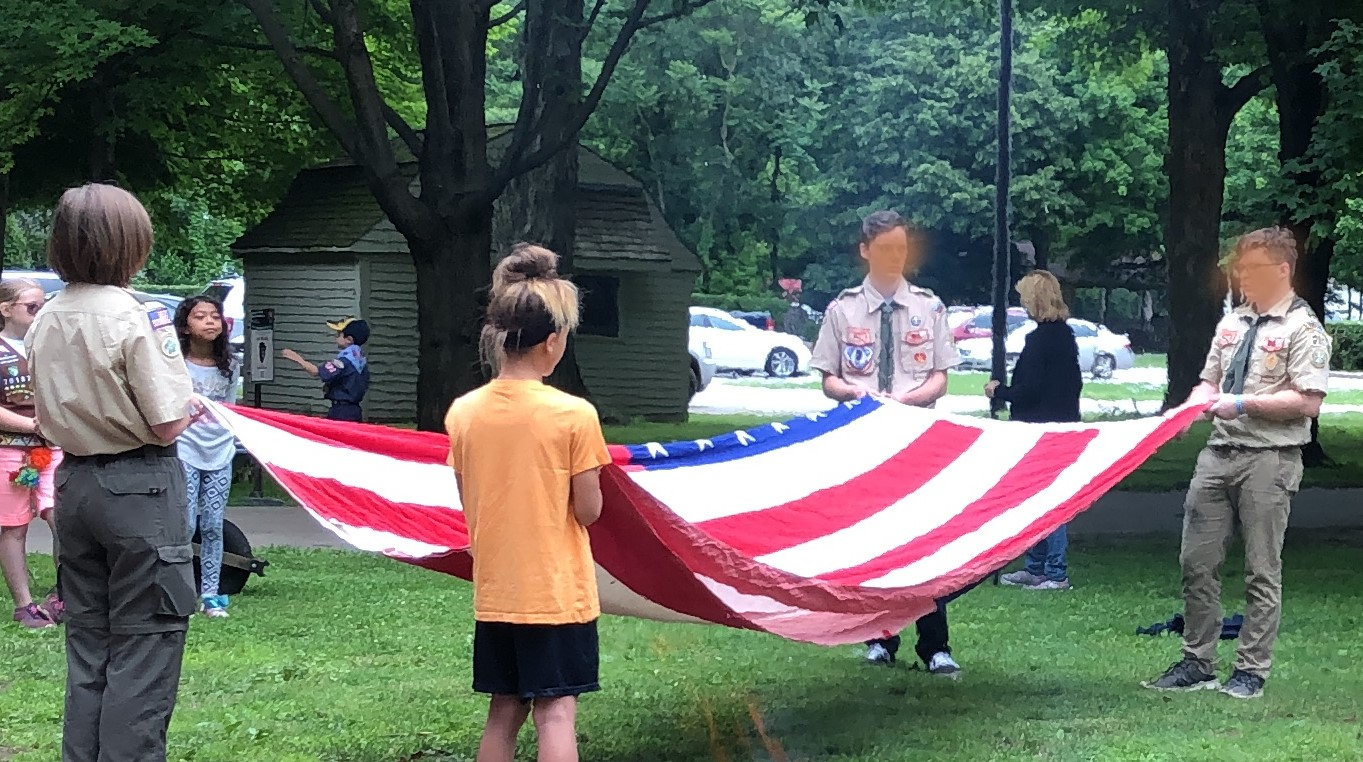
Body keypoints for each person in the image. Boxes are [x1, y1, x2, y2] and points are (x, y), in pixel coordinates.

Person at [30, 183, 201, 762]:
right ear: (131, 243)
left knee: (89, 644)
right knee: (146, 645)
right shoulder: (135, 315)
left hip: (73, 483)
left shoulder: (46, 315)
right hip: (140, 487)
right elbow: (167, 424)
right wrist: (189, 408)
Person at [1142, 227, 1330, 700]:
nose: (1241, 277)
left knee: (1260, 569)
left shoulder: (1303, 329)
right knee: (1196, 562)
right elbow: (1209, 382)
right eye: (1239, 268)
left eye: (1251, 269)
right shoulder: (1233, 323)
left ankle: (1251, 669)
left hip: (1269, 458)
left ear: (1282, 271)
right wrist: (1185, 413)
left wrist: (1242, 404)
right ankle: (1196, 661)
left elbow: (1307, 401)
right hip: (1217, 455)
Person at [444, 243, 611, 762]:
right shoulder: (574, 415)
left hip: (497, 591)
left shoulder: (463, 412)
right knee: (555, 713)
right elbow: (588, 510)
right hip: (556, 592)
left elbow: (468, 499)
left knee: (503, 711)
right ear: (553, 341)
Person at [809, 210, 964, 676]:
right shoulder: (843, 311)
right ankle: (880, 635)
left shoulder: (929, 308)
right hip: (862, 442)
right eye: (885, 250)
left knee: (924, 541)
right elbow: (829, 379)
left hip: (916, 439)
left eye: (901, 249)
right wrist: (857, 393)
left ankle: (935, 644)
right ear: (865, 251)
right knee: (875, 541)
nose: (895, 258)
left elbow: (940, 378)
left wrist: (908, 399)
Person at [988, 271, 1083, 591]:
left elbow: (1029, 390)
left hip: (1040, 430)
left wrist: (999, 391)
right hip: (1063, 426)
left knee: (1047, 502)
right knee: (1042, 500)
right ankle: (1037, 566)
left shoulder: (1040, 340)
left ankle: (1054, 571)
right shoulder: (1065, 337)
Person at [0, 278, 65, 629]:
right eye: (32, 307)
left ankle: (64, 595)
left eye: (44, 306)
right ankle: (24, 605)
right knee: (13, 528)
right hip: (9, 450)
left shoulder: (49, 345)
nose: (40, 313)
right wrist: (32, 426)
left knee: (63, 519)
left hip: (52, 450)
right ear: (6, 309)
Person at [174, 295, 240, 619]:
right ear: (186, 326)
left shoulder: (230, 365)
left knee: (213, 523)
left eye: (215, 316)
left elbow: (230, 410)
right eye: (201, 316)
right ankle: (181, 590)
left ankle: (211, 594)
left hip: (220, 450)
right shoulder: (175, 364)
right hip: (185, 447)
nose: (210, 322)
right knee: (185, 524)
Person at [280, 317, 371, 421]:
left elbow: (316, 371)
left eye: (338, 334)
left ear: (349, 339)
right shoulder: (360, 359)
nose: (335, 336)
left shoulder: (344, 361)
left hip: (341, 412)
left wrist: (297, 358)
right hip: (355, 410)